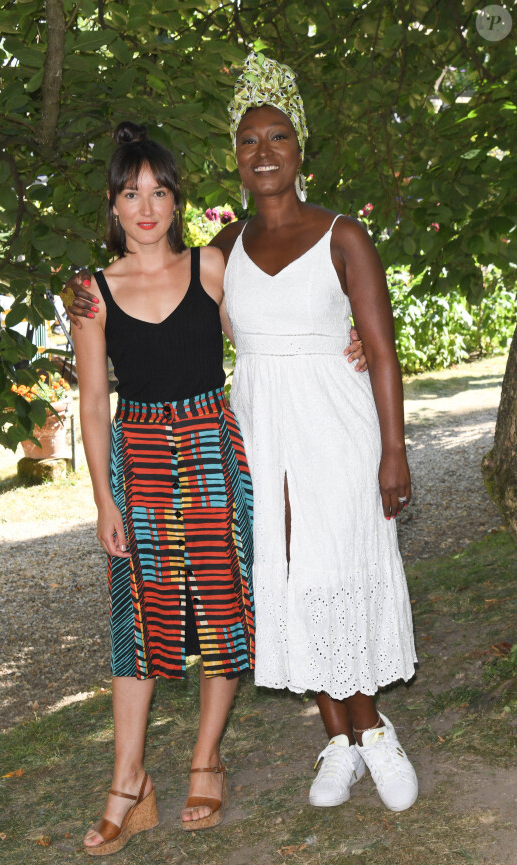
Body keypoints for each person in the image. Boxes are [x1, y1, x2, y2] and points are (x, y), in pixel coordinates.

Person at [214, 52, 418, 812]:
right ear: (233, 158)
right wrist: (83, 293)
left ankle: (372, 731)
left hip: (338, 426)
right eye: (248, 140)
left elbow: (383, 348)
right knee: (292, 572)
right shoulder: (222, 250)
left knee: (340, 566)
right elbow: (148, 279)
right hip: (263, 431)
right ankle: (338, 739)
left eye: (278, 137)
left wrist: (394, 449)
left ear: (300, 150)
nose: (263, 151)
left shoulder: (343, 236)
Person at [72, 121, 256, 855]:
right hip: (139, 457)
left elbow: (266, 342)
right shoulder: (90, 291)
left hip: (213, 446)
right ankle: (128, 781)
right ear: (112, 206)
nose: (145, 206)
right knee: (137, 625)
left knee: (220, 606)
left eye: (159, 191)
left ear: (177, 200)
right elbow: (92, 402)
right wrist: (103, 500)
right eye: (129, 192)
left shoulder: (212, 268)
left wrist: (354, 339)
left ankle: (206, 758)